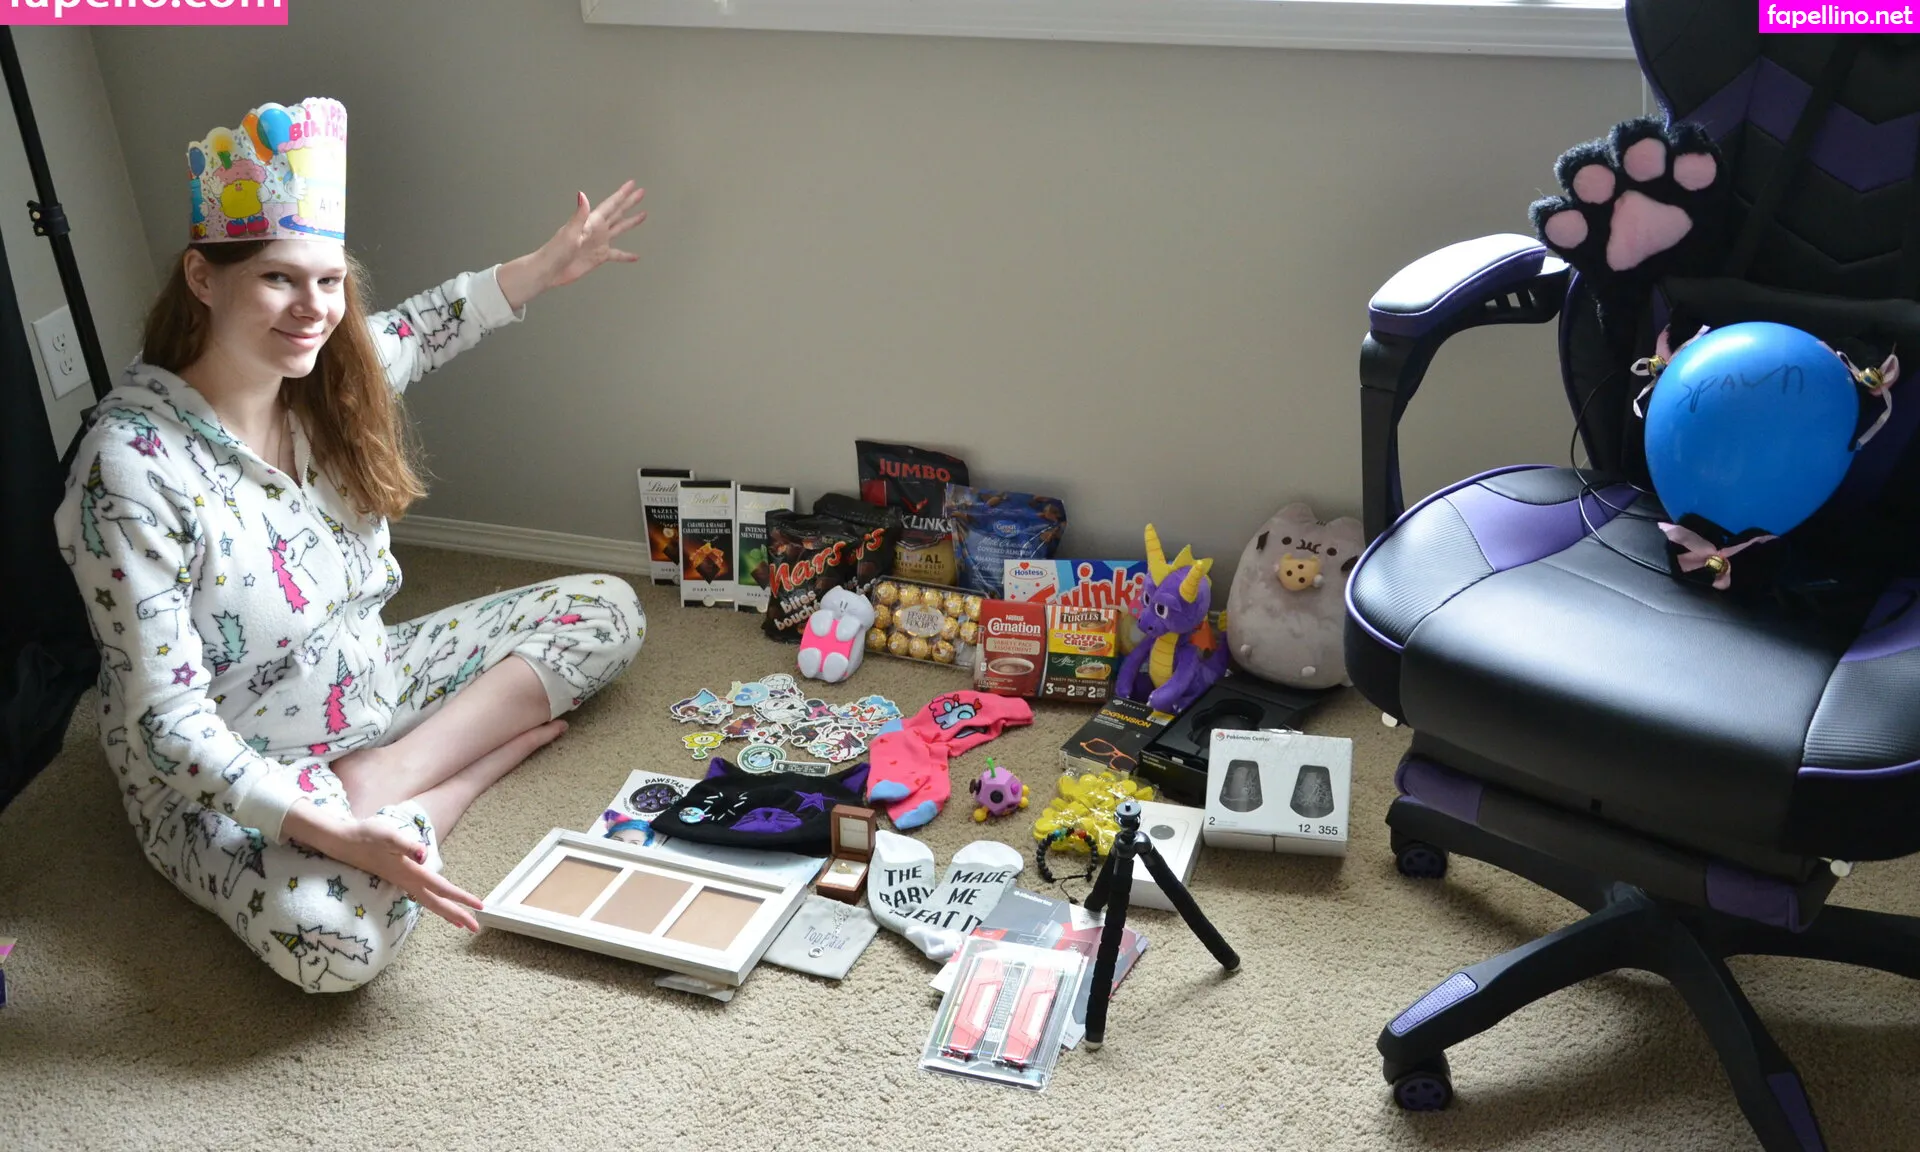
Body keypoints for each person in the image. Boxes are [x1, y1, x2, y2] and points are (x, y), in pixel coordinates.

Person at [52, 96, 649, 993]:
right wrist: (332, 830)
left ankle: (391, 774)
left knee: (608, 611)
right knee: (333, 945)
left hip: (367, 684)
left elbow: (424, 327)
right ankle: (444, 791)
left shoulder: (326, 381)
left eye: (329, 282)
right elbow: (167, 726)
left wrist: (544, 266)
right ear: (203, 277)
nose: (314, 310)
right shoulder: (130, 468)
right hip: (234, 759)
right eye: (278, 279)